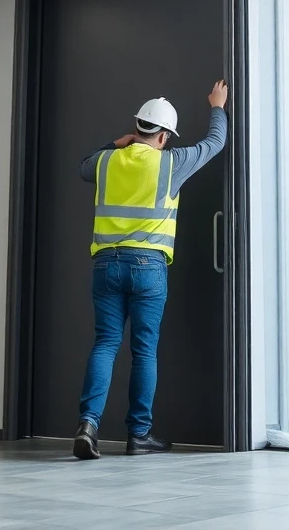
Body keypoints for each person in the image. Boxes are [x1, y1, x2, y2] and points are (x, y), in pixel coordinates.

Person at [72, 80, 229, 460]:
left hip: (105, 263)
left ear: (138, 127)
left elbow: (83, 169)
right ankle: (138, 434)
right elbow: (214, 144)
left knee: (106, 343)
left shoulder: (106, 161)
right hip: (148, 267)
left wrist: (115, 144)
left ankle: (88, 426)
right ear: (163, 136)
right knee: (144, 351)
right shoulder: (170, 164)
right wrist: (217, 107)